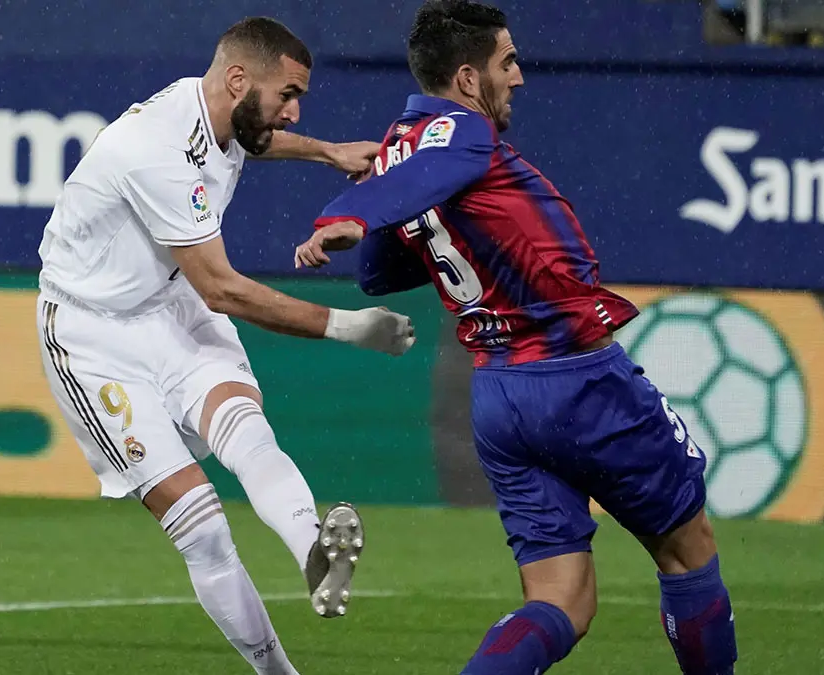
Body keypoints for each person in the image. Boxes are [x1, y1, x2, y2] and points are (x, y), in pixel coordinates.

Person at [292, 2, 738, 673]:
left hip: (501, 396)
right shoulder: (461, 133)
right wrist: (349, 212)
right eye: (508, 62)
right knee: (686, 546)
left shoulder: (400, 145)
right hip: (578, 378)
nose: (520, 77)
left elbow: (379, 275)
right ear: (468, 79)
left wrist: (376, 203)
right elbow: (418, 189)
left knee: (562, 598)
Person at [36, 17, 415, 675]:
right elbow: (225, 291)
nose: (293, 110)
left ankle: (313, 554)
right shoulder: (153, 148)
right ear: (239, 78)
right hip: (92, 337)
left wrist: (325, 151)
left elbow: (253, 140)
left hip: (168, 303)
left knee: (249, 435)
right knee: (204, 529)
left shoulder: (214, 109)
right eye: (288, 93)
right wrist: (351, 327)